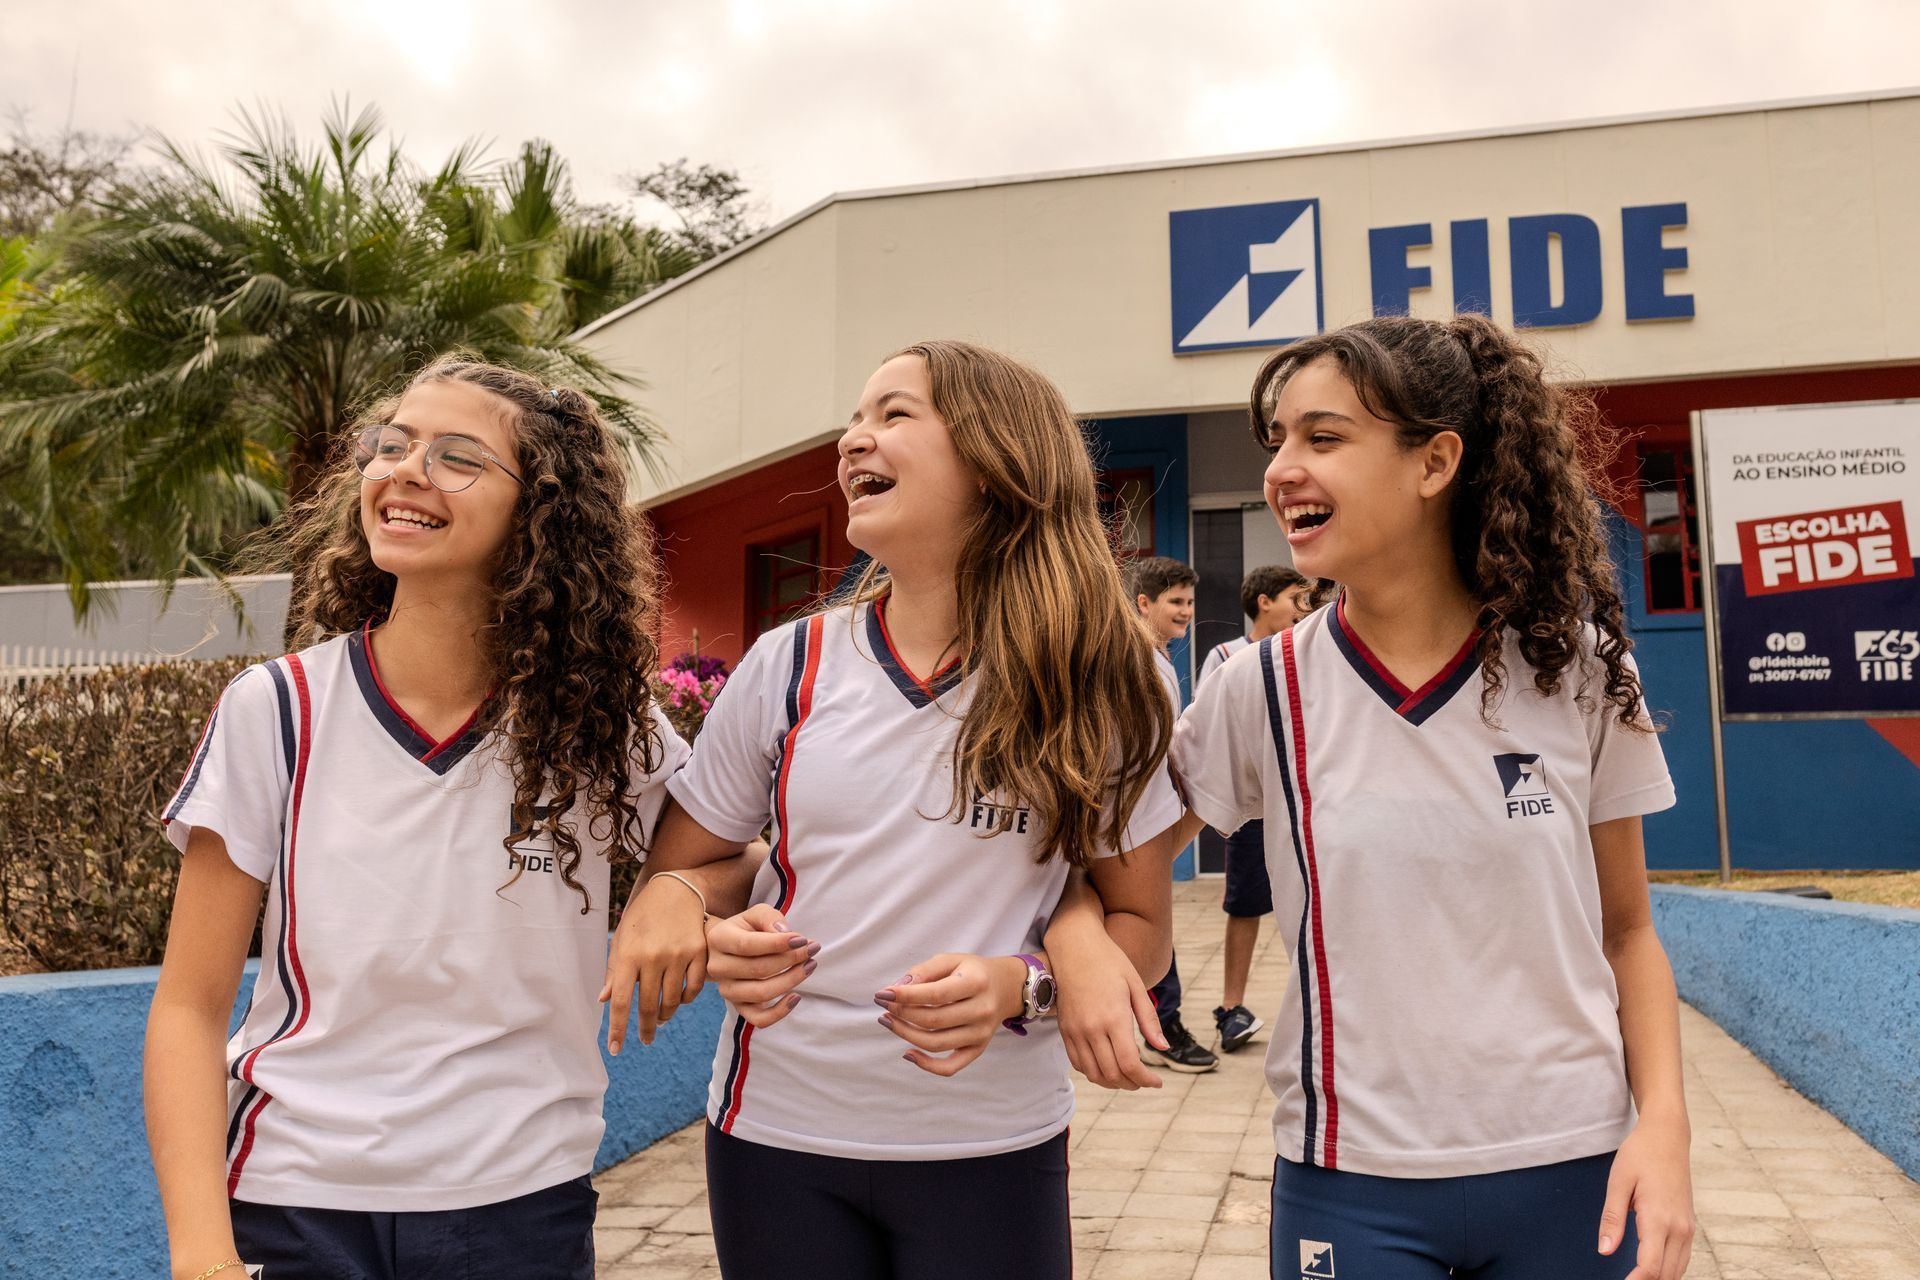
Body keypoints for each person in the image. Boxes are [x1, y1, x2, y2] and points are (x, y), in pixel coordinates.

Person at [1074, 314, 1696, 1280]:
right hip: (1349, 1180)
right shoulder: (1260, 687)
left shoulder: (1572, 668)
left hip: (1574, 1162)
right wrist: (1066, 950)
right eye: (1277, 440)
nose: (1281, 469)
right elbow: (1118, 866)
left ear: (1435, 462)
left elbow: (1629, 933)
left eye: (1322, 438)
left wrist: (1665, 1130)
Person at [143, 360, 744, 1280]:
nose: (406, 470)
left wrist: (676, 890)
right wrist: (201, 1256)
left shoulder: (599, 722)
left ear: (540, 512)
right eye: (392, 446)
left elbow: (733, 860)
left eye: (457, 457)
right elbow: (189, 1006)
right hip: (298, 1206)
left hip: (521, 1210)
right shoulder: (279, 710)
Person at [609, 340, 1184, 1280]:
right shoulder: (788, 665)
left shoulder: (1115, 677)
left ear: (997, 458)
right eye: (853, 418)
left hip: (993, 1141)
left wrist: (1025, 985)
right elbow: (688, 867)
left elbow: (1144, 935)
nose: (852, 440)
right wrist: (695, 918)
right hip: (774, 1134)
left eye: (893, 414)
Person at [1195, 564, 1317, 1053]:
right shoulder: (1226, 658)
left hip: (1301, 803)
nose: (1302, 606)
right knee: (1244, 906)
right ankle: (1231, 1008)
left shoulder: (1310, 652)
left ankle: (1315, 1009)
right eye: (1294, 597)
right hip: (1252, 812)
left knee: (1310, 906)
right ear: (1264, 602)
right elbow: (1209, 737)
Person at [1127, 555, 1219, 1073]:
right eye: (1175, 602)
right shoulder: (1135, 661)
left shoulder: (1159, 658)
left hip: (1154, 817)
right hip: (1133, 824)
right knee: (1148, 929)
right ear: (1144, 603)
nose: (1186, 611)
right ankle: (1160, 1031)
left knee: (1150, 929)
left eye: (1189, 602)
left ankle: (1158, 1026)